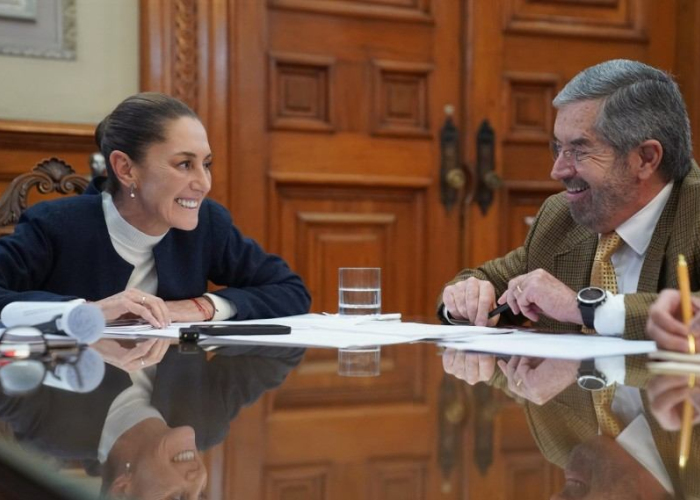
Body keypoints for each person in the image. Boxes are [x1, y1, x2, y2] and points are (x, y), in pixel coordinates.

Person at [440, 59, 700, 384]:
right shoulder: (561, 217)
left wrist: (587, 309)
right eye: (558, 149)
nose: (558, 171)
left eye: (579, 151)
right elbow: (487, 279)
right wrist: (464, 298)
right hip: (583, 427)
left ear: (646, 158)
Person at [0, 93, 311, 360]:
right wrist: (86, 312)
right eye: (184, 164)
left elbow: (290, 291)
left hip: (171, 413)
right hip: (76, 416)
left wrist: (201, 307)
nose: (203, 183)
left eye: (206, 164)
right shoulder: (56, 225)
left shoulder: (208, 223)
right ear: (126, 168)